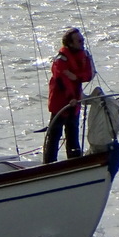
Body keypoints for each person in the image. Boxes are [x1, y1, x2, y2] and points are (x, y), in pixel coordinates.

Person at [44, 28, 94, 162]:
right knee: (55, 134)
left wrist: (75, 76)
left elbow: (88, 75)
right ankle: (49, 163)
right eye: (79, 40)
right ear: (70, 43)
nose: (82, 42)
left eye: (82, 39)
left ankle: (75, 161)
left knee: (73, 133)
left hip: (75, 102)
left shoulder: (84, 56)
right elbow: (62, 80)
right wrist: (71, 97)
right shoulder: (60, 60)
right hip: (60, 102)